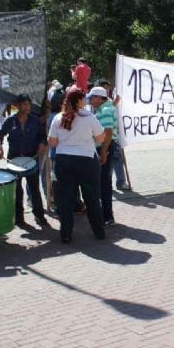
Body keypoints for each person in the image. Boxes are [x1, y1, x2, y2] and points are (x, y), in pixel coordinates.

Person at [48, 88, 106, 244]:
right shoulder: (89, 117)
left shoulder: (58, 117)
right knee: (92, 197)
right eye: (84, 99)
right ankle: (99, 231)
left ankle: (66, 234)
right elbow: (100, 138)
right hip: (86, 159)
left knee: (66, 199)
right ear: (80, 101)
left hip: (64, 159)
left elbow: (52, 142)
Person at [0, 93, 50, 227]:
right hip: (14, 158)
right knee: (17, 190)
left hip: (31, 158)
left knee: (34, 189)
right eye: (24, 104)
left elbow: (43, 136)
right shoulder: (11, 120)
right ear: (17, 105)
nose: (27, 107)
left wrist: (42, 144)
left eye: (29, 104)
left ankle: (39, 216)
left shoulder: (35, 120)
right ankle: (19, 218)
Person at [88, 86, 118, 226]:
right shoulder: (106, 108)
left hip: (105, 147)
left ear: (99, 98)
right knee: (103, 182)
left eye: (92, 98)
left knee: (104, 183)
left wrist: (103, 152)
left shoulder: (105, 110)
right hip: (105, 147)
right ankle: (106, 215)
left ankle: (107, 216)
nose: (90, 100)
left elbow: (108, 132)